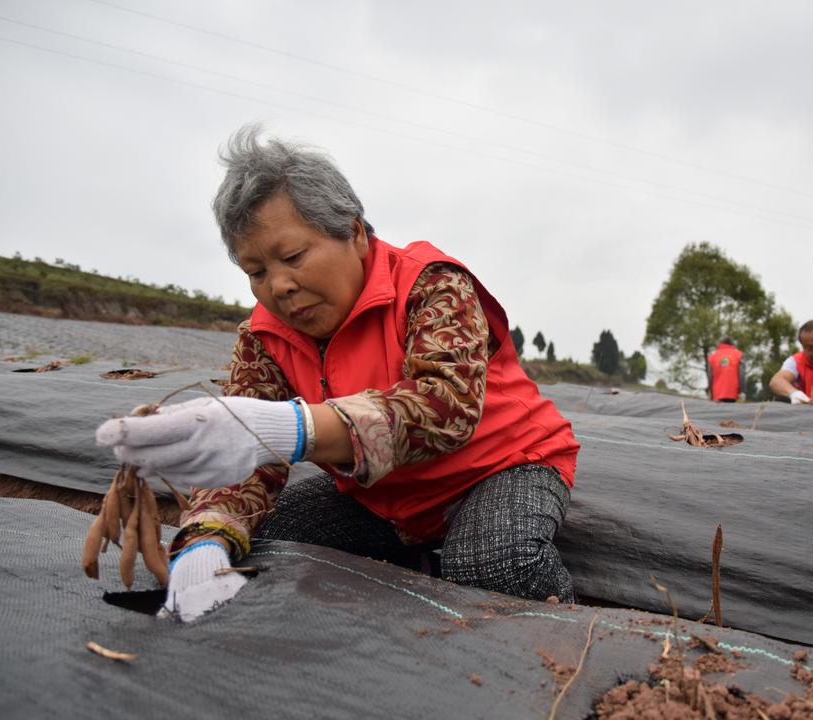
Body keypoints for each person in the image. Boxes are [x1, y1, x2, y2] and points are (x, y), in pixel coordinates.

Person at [96, 126, 580, 621]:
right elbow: (246, 460)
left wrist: (293, 429)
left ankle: (577, 634)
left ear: (352, 230)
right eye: (256, 272)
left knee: (490, 563)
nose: (279, 286)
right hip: (387, 496)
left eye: (293, 257)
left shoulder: (430, 284)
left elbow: (443, 408)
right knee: (265, 544)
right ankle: (417, 565)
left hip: (502, 467)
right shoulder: (264, 337)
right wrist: (206, 539)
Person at [706, 336, 745, 402]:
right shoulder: (738, 355)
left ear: (720, 343)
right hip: (733, 393)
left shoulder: (712, 356)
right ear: (731, 344)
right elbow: (742, 375)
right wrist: (742, 391)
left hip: (717, 394)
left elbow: (710, 376)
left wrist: (711, 392)